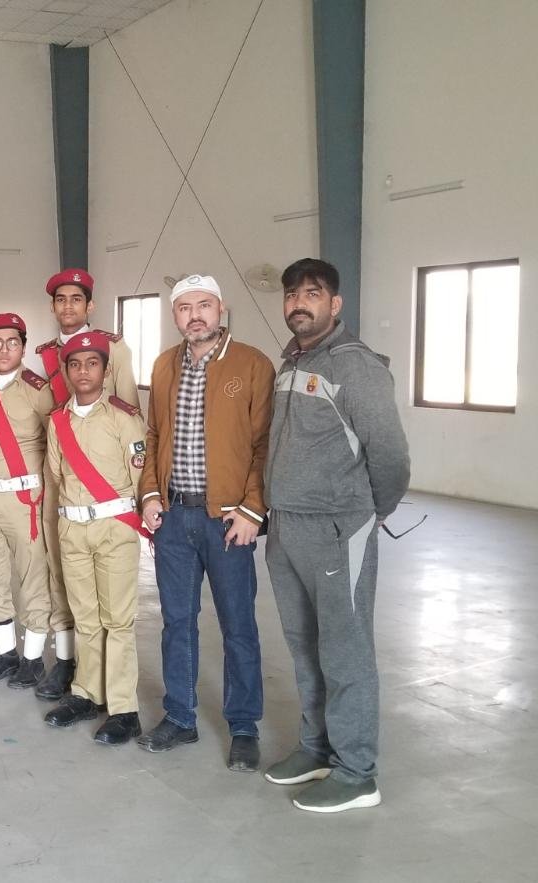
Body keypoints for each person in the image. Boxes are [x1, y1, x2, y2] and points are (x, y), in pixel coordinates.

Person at [263, 258, 410, 813]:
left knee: (345, 651)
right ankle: (317, 748)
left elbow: (390, 456)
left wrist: (369, 513)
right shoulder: (291, 362)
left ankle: (356, 772)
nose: (299, 303)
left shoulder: (356, 366)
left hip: (335, 529)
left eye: (312, 293)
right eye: (292, 294)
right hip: (287, 526)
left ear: (335, 303)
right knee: (304, 644)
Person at [136, 274, 274, 772]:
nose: (195, 315)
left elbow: (264, 445)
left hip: (228, 521)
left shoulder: (252, 364)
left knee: (238, 625)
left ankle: (244, 726)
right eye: (184, 307)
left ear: (221, 309)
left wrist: (253, 509)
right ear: (175, 314)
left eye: (204, 305)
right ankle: (180, 716)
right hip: (174, 518)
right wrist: (150, 494)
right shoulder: (164, 365)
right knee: (177, 623)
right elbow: (153, 435)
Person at [33, 269, 138, 701]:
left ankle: (117, 700)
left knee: (114, 611)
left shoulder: (114, 349)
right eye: (61, 299)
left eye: (77, 299)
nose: (69, 306)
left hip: (106, 481)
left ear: (89, 305)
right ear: (53, 306)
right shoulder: (46, 354)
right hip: (64, 483)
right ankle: (70, 664)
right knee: (62, 576)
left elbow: (128, 410)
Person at [42, 332, 149, 744]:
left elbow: (139, 476)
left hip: (114, 528)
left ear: (106, 370)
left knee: (117, 620)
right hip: (73, 529)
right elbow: (57, 474)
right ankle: (87, 694)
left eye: (92, 363)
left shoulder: (124, 418)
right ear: (66, 372)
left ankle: (124, 708)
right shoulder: (57, 421)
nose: (83, 371)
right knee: (85, 617)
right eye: (75, 364)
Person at [0, 313, 54, 689]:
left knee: (33, 578)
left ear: (23, 347)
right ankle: (5, 654)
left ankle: (33, 659)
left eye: (13, 343)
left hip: (25, 498)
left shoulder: (38, 389)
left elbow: (57, 443)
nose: (4, 350)